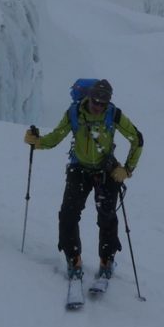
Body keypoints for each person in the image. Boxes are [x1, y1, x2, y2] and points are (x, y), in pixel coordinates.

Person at [23, 79, 143, 281]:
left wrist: (127, 170)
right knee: (68, 215)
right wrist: (37, 142)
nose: (97, 107)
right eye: (95, 102)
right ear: (89, 97)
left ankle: (107, 260)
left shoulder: (114, 114)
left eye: (102, 104)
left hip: (106, 170)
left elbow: (137, 139)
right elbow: (55, 137)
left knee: (106, 217)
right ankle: (73, 259)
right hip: (79, 169)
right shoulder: (74, 113)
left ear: (107, 103)